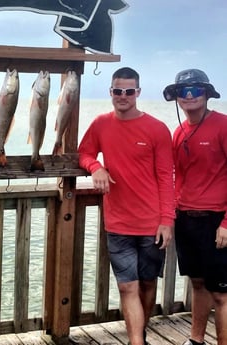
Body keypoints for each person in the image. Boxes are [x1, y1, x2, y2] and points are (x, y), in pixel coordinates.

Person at [78, 67, 175, 345]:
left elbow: (165, 178)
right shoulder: (100, 124)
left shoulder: (157, 129)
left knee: (147, 283)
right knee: (126, 286)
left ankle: (139, 333)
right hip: (118, 222)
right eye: (117, 91)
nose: (123, 96)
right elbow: (83, 153)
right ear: (110, 92)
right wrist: (96, 167)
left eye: (129, 91)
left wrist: (166, 220)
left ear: (138, 93)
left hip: (151, 224)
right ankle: (137, 341)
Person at [163, 69, 227, 345]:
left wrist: (226, 223)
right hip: (186, 219)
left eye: (195, 90)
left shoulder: (223, 126)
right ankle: (196, 340)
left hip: (217, 221)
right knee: (198, 283)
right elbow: (174, 175)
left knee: (221, 293)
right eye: (183, 91)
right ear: (176, 97)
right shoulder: (178, 132)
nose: (189, 96)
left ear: (207, 93)